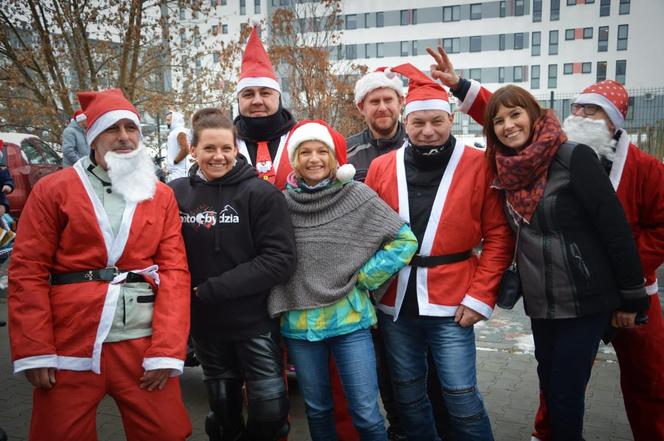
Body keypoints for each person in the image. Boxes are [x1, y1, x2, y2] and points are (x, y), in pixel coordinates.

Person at [427, 48, 663, 440]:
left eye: (597, 112)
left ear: (616, 122)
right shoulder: (520, 160)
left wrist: (630, 293)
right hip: (546, 300)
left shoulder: (591, 159)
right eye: (581, 109)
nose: (585, 118)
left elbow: (620, 231)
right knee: (554, 384)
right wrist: (459, 86)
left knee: (641, 379)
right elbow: (501, 110)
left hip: (614, 290)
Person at [8, 88, 192, 441]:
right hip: (70, 342)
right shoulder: (53, 190)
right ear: (92, 138)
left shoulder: (162, 194)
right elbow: (27, 270)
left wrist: (167, 350)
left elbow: (175, 273)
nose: (124, 137)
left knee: (167, 432)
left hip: (142, 344)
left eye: (131, 128)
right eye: (112, 128)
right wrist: (34, 350)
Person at [365, 63, 512, 441]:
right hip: (395, 303)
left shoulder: (479, 164)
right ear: (406, 122)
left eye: (437, 121)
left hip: (453, 301)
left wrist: (480, 297)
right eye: (418, 123)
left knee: (461, 398)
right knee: (409, 396)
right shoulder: (382, 166)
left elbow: (498, 236)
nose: (428, 131)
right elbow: (364, 233)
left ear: (451, 118)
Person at [269, 120, 417, 440]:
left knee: (366, 413)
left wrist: (366, 278)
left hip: (349, 322)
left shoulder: (357, 195)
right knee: (317, 410)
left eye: (321, 151)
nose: (314, 159)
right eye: (305, 152)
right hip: (300, 324)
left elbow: (404, 241)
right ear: (295, 159)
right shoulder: (280, 204)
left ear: (335, 158)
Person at [170, 108, 296, 441]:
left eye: (226, 148)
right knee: (223, 415)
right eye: (209, 148)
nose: (219, 155)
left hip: (253, 321)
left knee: (270, 416)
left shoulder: (261, 194)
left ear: (236, 149)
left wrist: (212, 290)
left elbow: (280, 260)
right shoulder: (176, 193)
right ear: (193, 150)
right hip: (205, 326)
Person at [347, 69, 452, 441]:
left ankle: (440, 427)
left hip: (429, 278)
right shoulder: (348, 153)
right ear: (362, 107)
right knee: (389, 367)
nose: (381, 106)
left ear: (400, 104)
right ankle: (401, 430)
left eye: (388, 99)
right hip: (375, 280)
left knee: (438, 368)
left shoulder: (421, 143)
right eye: (373, 100)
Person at [234, 26, 295, 189]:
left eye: (265, 93)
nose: (257, 101)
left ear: (279, 98)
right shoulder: (226, 143)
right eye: (248, 94)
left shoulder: (302, 137)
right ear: (238, 100)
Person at [166, 110, 190, 182]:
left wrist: (175, 161)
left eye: (168, 120)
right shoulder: (174, 131)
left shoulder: (180, 131)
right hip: (175, 171)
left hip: (180, 171)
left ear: (174, 120)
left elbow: (185, 149)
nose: (167, 122)